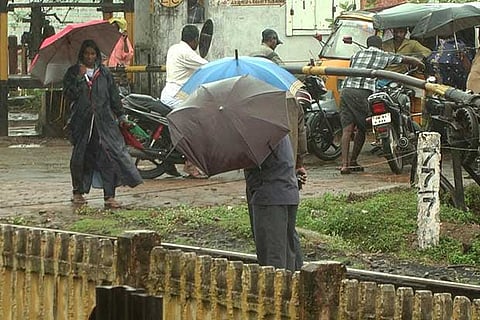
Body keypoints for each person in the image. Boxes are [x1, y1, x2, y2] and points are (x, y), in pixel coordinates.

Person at [249, 32, 307, 270]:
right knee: (288, 248)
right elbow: (301, 134)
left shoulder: (259, 111)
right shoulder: (289, 99)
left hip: (269, 192)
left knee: (273, 258)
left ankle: (282, 303)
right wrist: (299, 165)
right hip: (287, 184)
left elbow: (255, 155)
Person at [63, 39, 143, 209]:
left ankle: (109, 196)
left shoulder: (105, 73)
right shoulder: (73, 73)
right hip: (82, 123)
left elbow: (114, 96)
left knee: (109, 157)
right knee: (80, 159)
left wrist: (121, 116)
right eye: (86, 54)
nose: (89, 57)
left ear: (97, 55)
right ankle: (78, 193)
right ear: (82, 55)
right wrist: (79, 78)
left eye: (92, 54)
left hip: (104, 123)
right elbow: (69, 94)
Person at [339, 35, 424, 174]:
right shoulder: (383, 55)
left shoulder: (357, 54)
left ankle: (345, 165)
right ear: (380, 46)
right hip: (363, 92)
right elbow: (405, 59)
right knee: (362, 128)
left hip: (346, 91)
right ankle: (353, 160)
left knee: (347, 129)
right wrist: (420, 64)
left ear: (367, 44)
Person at [244, 135, 300, 272]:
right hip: (286, 191)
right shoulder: (272, 124)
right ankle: (292, 290)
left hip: (269, 197)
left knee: (273, 259)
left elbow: (251, 161)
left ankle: (279, 292)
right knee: (288, 254)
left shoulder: (255, 131)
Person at [161, 24, 208, 178]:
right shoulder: (187, 53)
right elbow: (207, 67)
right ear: (195, 40)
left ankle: (173, 160)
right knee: (196, 125)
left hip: (172, 93)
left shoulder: (174, 48)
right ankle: (190, 163)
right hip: (176, 95)